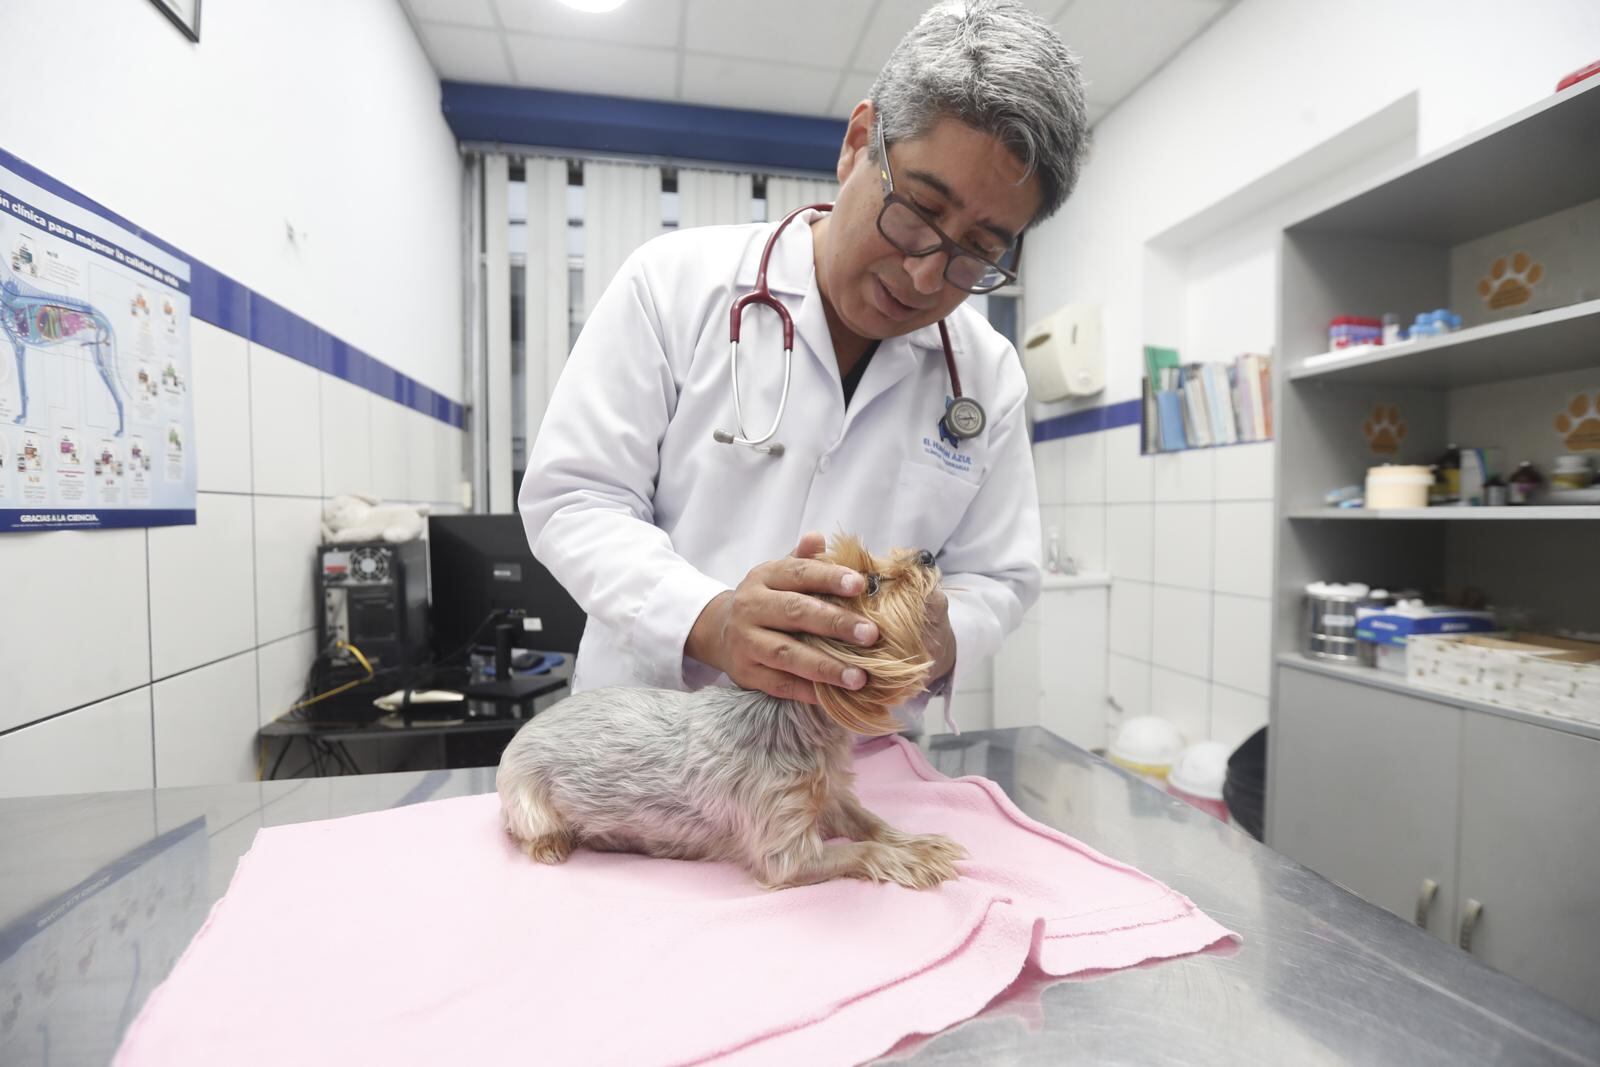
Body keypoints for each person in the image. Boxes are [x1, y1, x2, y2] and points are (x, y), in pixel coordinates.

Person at [519, 0, 1089, 726]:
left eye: (978, 249)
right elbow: (575, 498)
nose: (924, 275)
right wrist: (710, 619)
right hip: (654, 740)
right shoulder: (673, 283)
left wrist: (941, 635)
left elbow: (1001, 577)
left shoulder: (987, 373)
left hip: (857, 765)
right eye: (917, 209)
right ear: (858, 144)